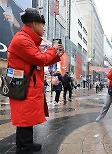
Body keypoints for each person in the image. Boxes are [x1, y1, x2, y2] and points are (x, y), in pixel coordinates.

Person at [7, 8, 65, 154]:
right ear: (33, 24)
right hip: (24, 85)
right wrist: (52, 50)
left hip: (26, 84)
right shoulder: (22, 40)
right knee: (25, 117)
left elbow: (41, 60)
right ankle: (25, 148)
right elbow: (40, 59)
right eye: (42, 25)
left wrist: (56, 55)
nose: (44, 29)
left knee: (26, 117)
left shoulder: (28, 39)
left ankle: (25, 144)